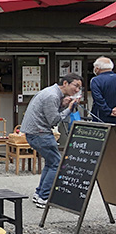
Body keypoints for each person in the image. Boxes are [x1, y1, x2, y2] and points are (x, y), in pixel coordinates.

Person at [22, 73, 83, 208]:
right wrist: (68, 108)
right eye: (76, 86)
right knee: (56, 163)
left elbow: (50, 114)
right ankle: (44, 197)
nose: (77, 90)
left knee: (51, 162)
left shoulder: (51, 92)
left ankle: (40, 194)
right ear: (65, 83)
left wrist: (62, 105)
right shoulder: (52, 96)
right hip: (40, 133)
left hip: (35, 132)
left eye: (79, 87)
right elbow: (54, 120)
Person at [90, 56, 116, 124]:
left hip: (101, 117)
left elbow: (98, 99)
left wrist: (109, 111)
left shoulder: (96, 80)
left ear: (97, 68)